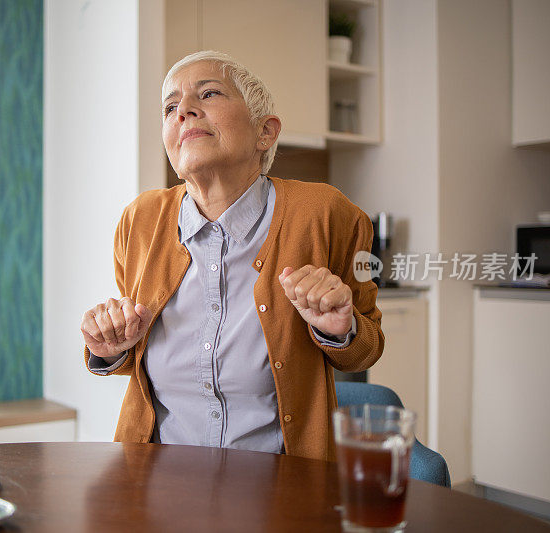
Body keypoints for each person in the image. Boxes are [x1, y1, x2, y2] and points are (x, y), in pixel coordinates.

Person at [80, 51, 384, 461]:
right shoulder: (140, 220)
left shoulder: (327, 213)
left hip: (282, 491)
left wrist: (339, 329)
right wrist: (110, 346)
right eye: (170, 107)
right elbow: (131, 358)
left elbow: (365, 349)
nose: (183, 111)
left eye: (208, 94)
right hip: (156, 484)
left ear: (265, 131)